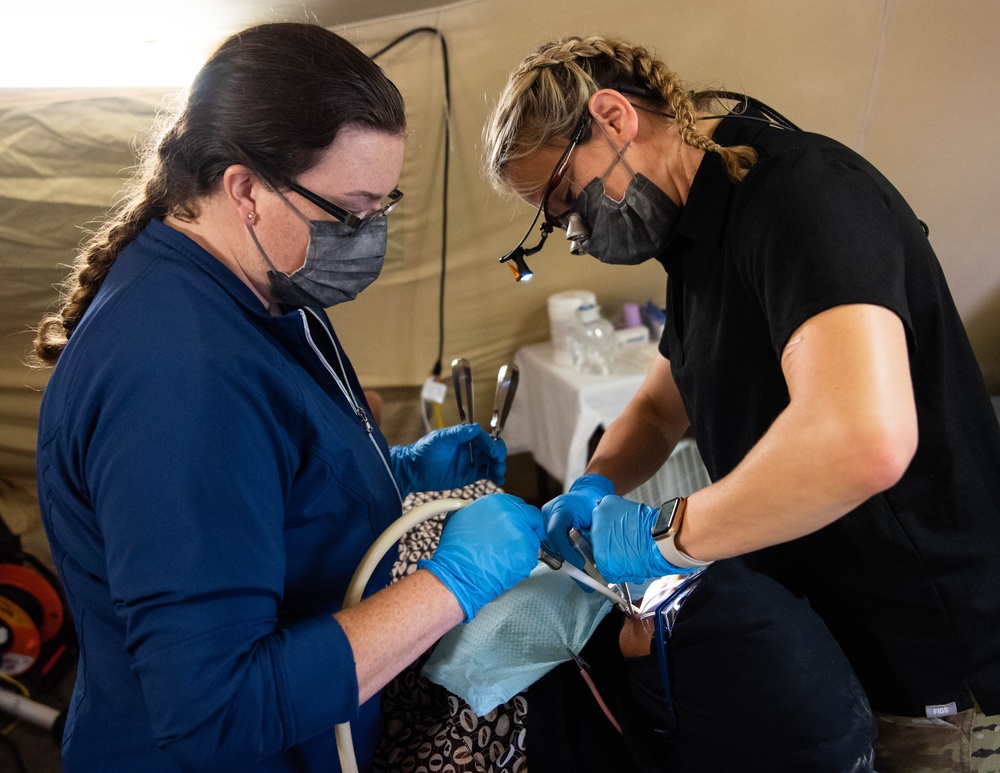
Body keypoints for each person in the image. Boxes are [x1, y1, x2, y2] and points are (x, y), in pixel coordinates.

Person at [31, 23, 545, 772]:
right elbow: (216, 709)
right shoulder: (178, 376)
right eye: (349, 212)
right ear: (243, 188)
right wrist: (450, 586)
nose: (370, 235)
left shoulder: (264, 287)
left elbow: (253, 486)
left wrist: (387, 473)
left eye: (384, 204)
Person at [484, 35, 1000, 772]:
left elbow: (864, 439)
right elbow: (664, 407)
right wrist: (594, 482)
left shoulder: (801, 198)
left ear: (612, 117)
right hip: (834, 628)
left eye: (566, 198)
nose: (573, 232)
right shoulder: (698, 233)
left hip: (932, 655)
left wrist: (667, 534)